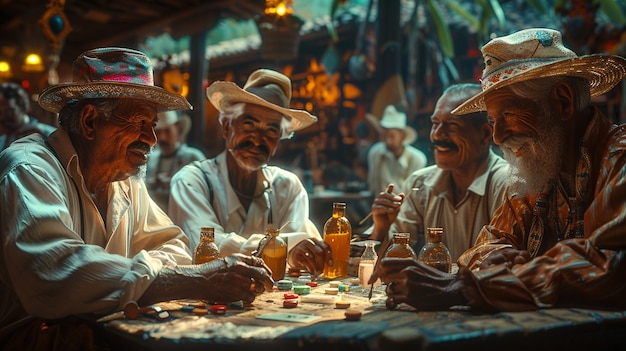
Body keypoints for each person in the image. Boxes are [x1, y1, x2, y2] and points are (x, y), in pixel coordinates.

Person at [0, 48, 273, 349]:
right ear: (90, 121)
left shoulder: (124, 180)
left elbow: (174, 246)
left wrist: (144, 275)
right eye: (139, 122)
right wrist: (191, 280)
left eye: (153, 125)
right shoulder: (30, 168)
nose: (151, 139)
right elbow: (55, 272)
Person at [369, 28, 626, 312]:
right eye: (493, 120)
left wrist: (467, 287)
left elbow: (610, 264)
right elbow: (484, 249)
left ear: (563, 102)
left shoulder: (619, 158)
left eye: (508, 115)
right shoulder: (537, 172)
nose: (498, 137)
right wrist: (509, 270)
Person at [169, 69, 333, 275]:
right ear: (227, 127)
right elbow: (207, 245)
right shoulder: (192, 181)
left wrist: (295, 252)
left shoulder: (287, 187)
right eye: (249, 124)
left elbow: (295, 254)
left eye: (271, 130)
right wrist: (281, 248)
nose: (257, 139)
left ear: (278, 141)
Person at [368, 84, 509, 260]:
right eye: (435, 124)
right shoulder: (420, 184)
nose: (437, 134)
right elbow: (393, 257)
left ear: (485, 134)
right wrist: (381, 228)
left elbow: (503, 265)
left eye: (452, 125)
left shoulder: (506, 185)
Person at [146, 110, 205, 211]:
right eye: (158, 132)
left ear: (178, 130)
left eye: (167, 131)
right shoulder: (149, 159)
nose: (162, 137)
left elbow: (205, 191)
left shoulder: (193, 157)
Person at [367, 104, 427, 195]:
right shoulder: (376, 153)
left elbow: (414, 194)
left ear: (403, 136)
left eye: (392, 136)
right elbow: (372, 186)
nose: (387, 141)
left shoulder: (417, 159)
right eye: (384, 135)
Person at [0, 82, 55, 150]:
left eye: (9, 110)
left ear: (22, 107)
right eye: (0, 112)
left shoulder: (47, 133)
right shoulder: (3, 138)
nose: (2, 117)